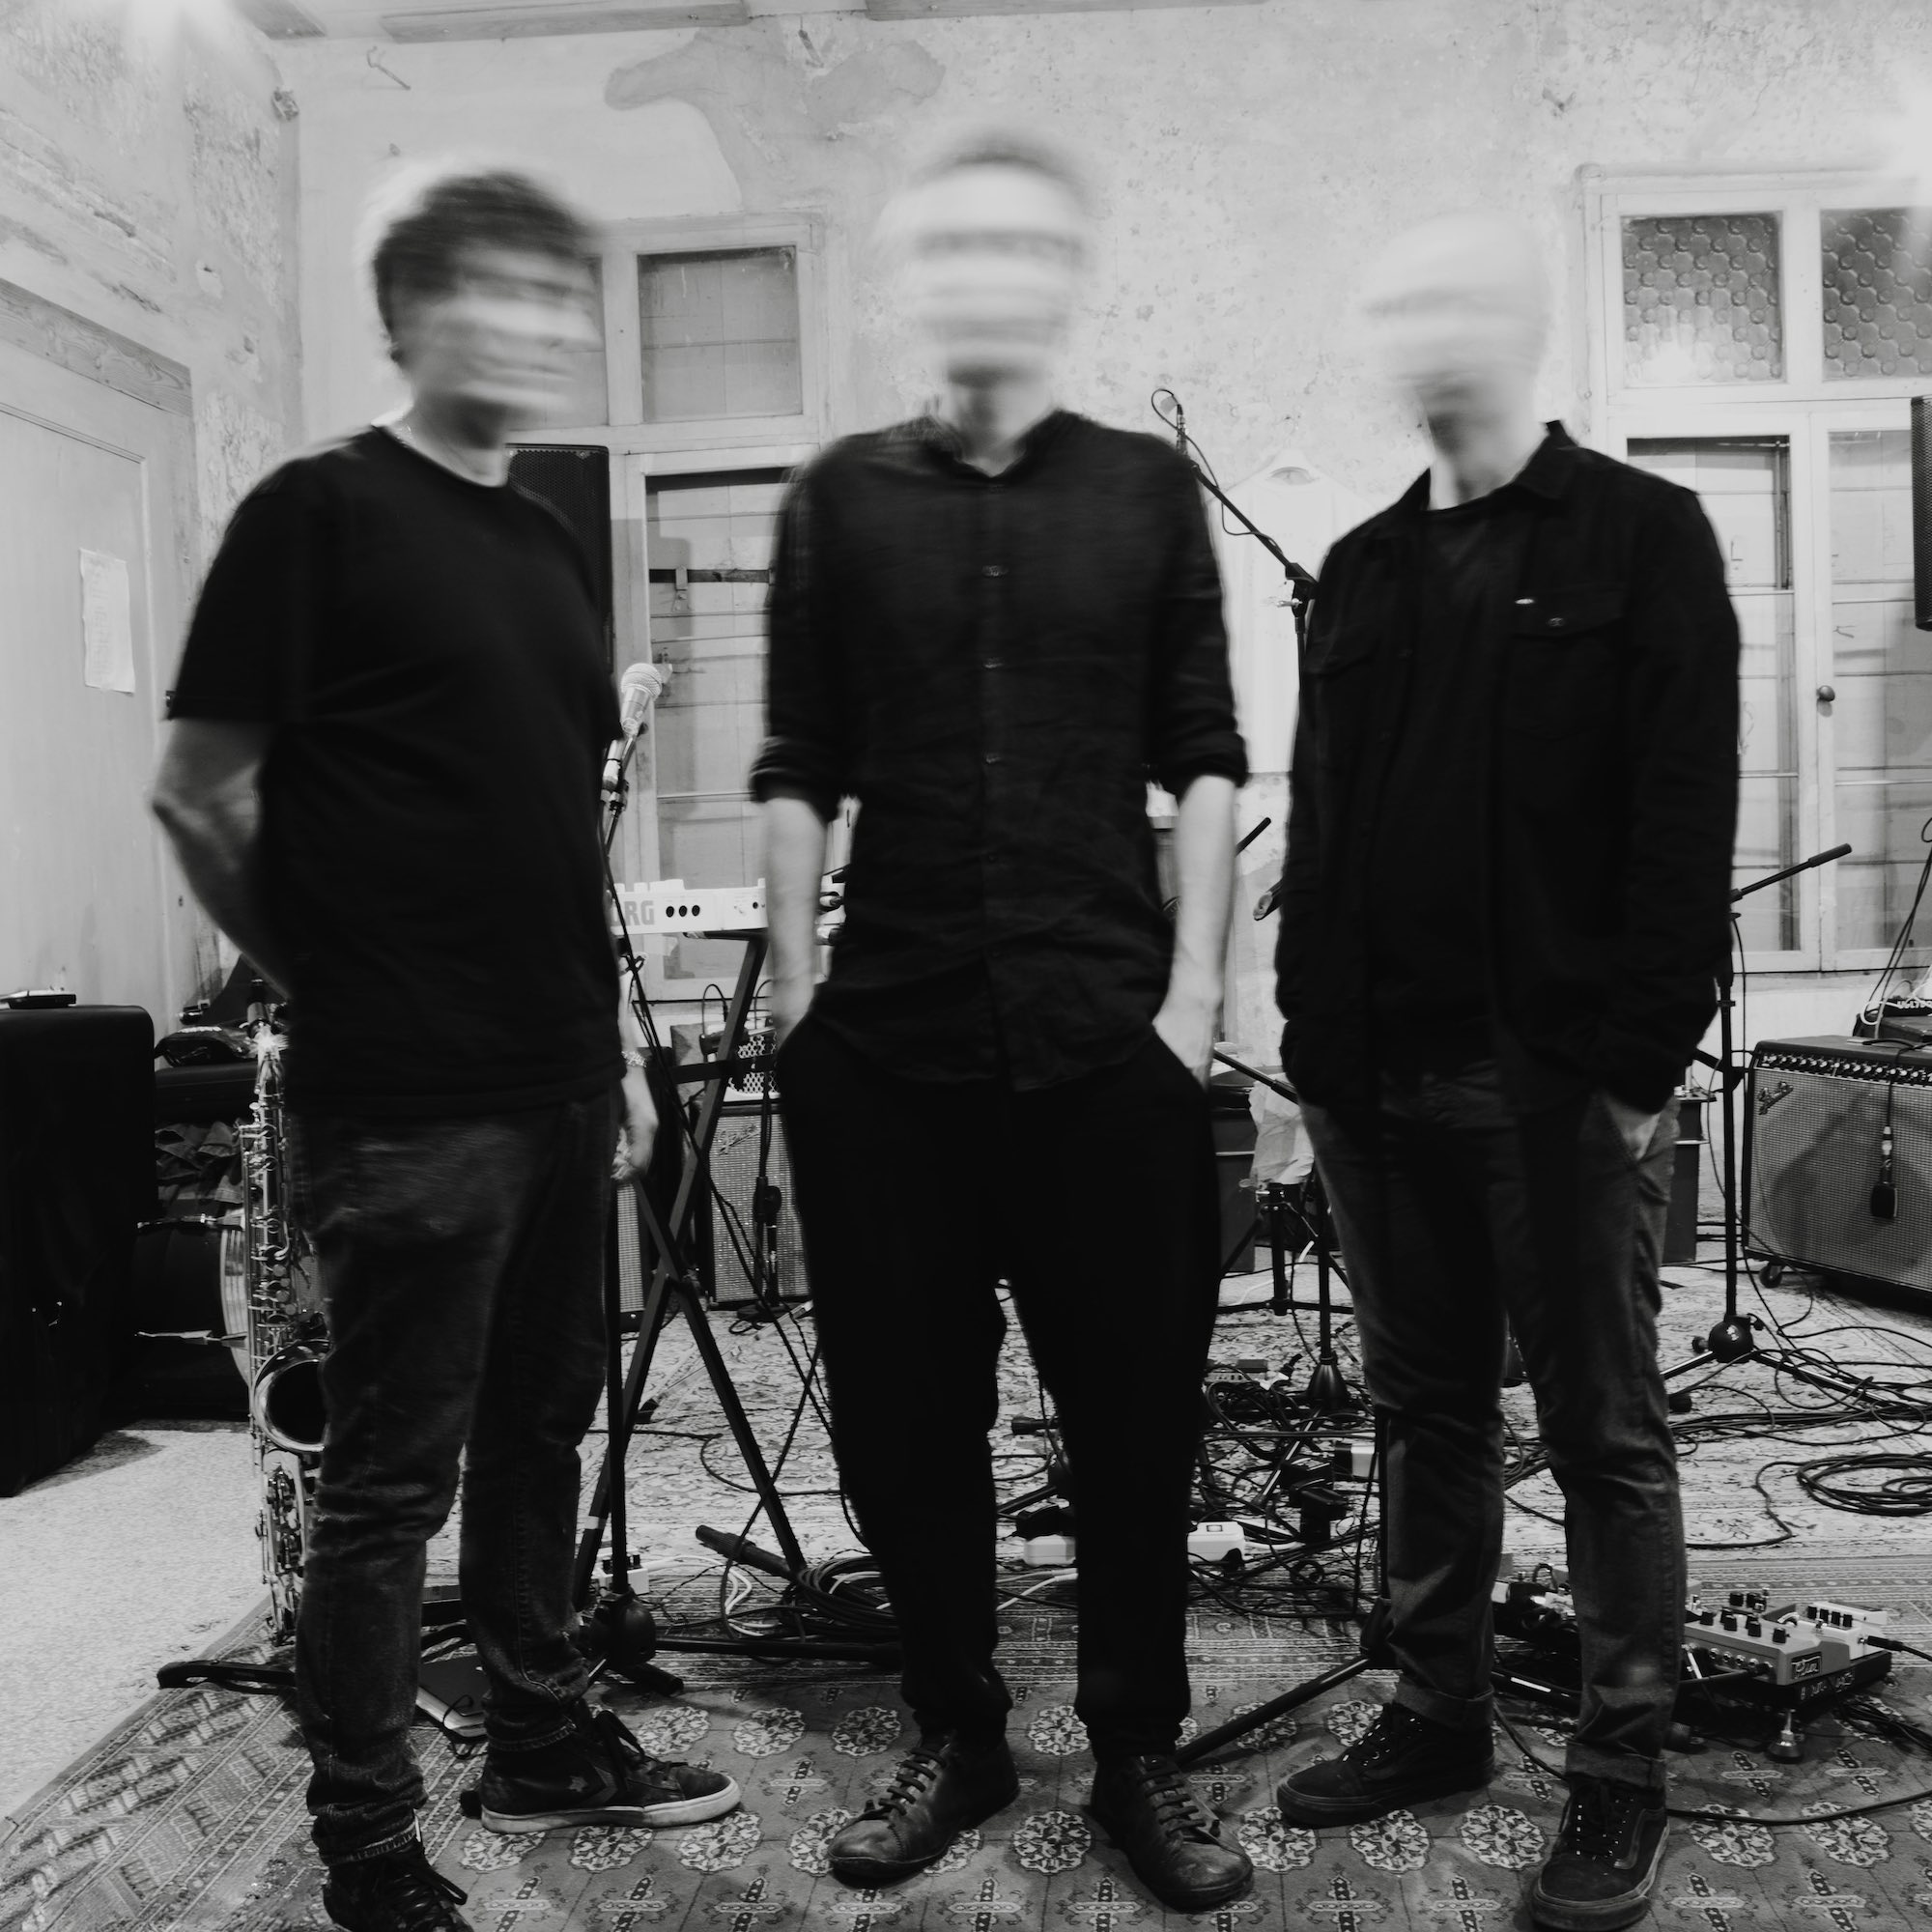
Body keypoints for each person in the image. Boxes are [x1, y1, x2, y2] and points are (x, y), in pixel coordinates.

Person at [152, 164, 738, 1932]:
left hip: (558, 1075)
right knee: (393, 1482)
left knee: (545, 1428)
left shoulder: (544, 545)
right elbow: (200, 794)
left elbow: (554, 824)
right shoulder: (315, 514)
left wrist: (614, 1045)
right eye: (498, 290)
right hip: (408, 1093)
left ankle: (542, 1734)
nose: (542, 323)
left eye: (558, 294)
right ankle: (368, 1846)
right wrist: (339, 978)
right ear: (410, 315)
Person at [753, 130, 1255, 1916]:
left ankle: (1135, 1749)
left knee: (1134, 1421)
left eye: (1018, 246)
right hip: (885, 1048)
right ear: (918, 280)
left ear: (1062, 278)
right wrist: (797, 1002)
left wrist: (1193, 1003)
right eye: (952, 245)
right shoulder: (837, 502)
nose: (986, 273)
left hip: (1106, 1036)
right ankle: (957, 1727)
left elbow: (1206, 757)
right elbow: (799, 765)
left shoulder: (1142, 492)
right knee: (904, 1424)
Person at [1269, 211, 1740, 1930]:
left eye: (1458, 301)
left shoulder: (1643, 535)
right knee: (1426, 1417)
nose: (1430, 333)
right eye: (1403, 307)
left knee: (1604, 1433)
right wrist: (1309, 1056)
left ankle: (1621, 1768)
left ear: (1525, 326)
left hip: (1553, 1085)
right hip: (1375, 1084)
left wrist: (1634, 1065)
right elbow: (1322, 825)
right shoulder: (1362, 567)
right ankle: (1438, 1708)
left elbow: (1685, 814)